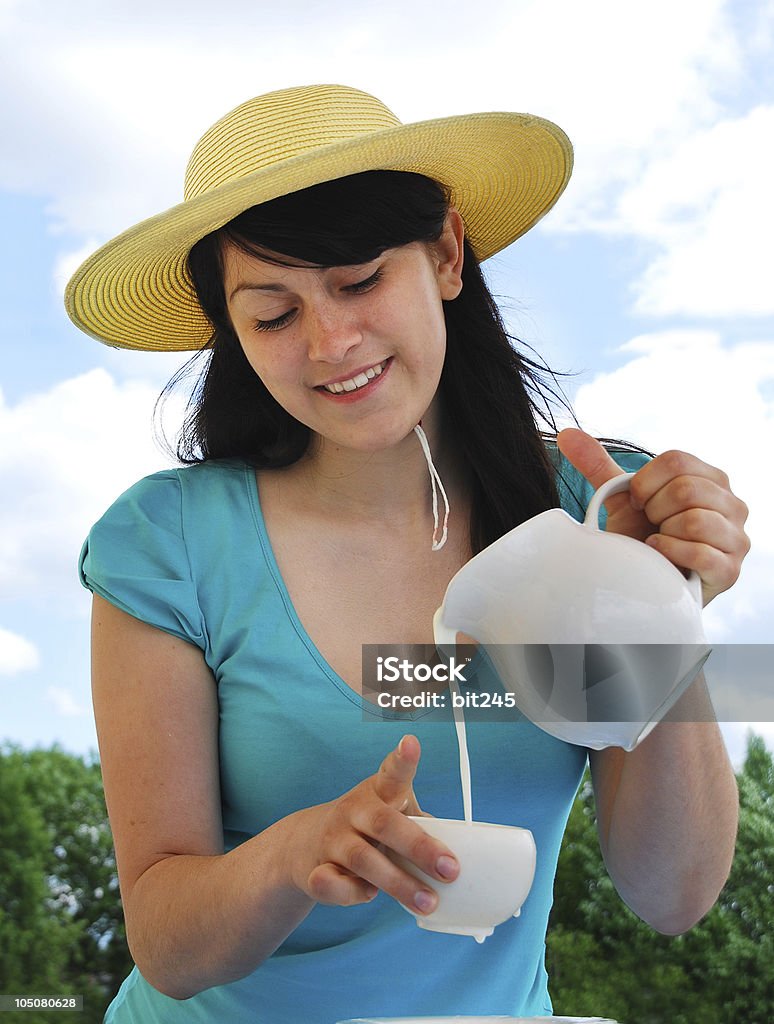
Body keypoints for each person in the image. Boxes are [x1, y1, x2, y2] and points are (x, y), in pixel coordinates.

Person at [66, 85, 748, 1023]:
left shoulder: (591, 512)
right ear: (233, 333)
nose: (331, 343)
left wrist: (654, 611)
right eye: (273, 315)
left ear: (446, 255)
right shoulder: (170, 546)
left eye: (358, 280)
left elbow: (673, 897)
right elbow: (166, 943)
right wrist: (297, 852)